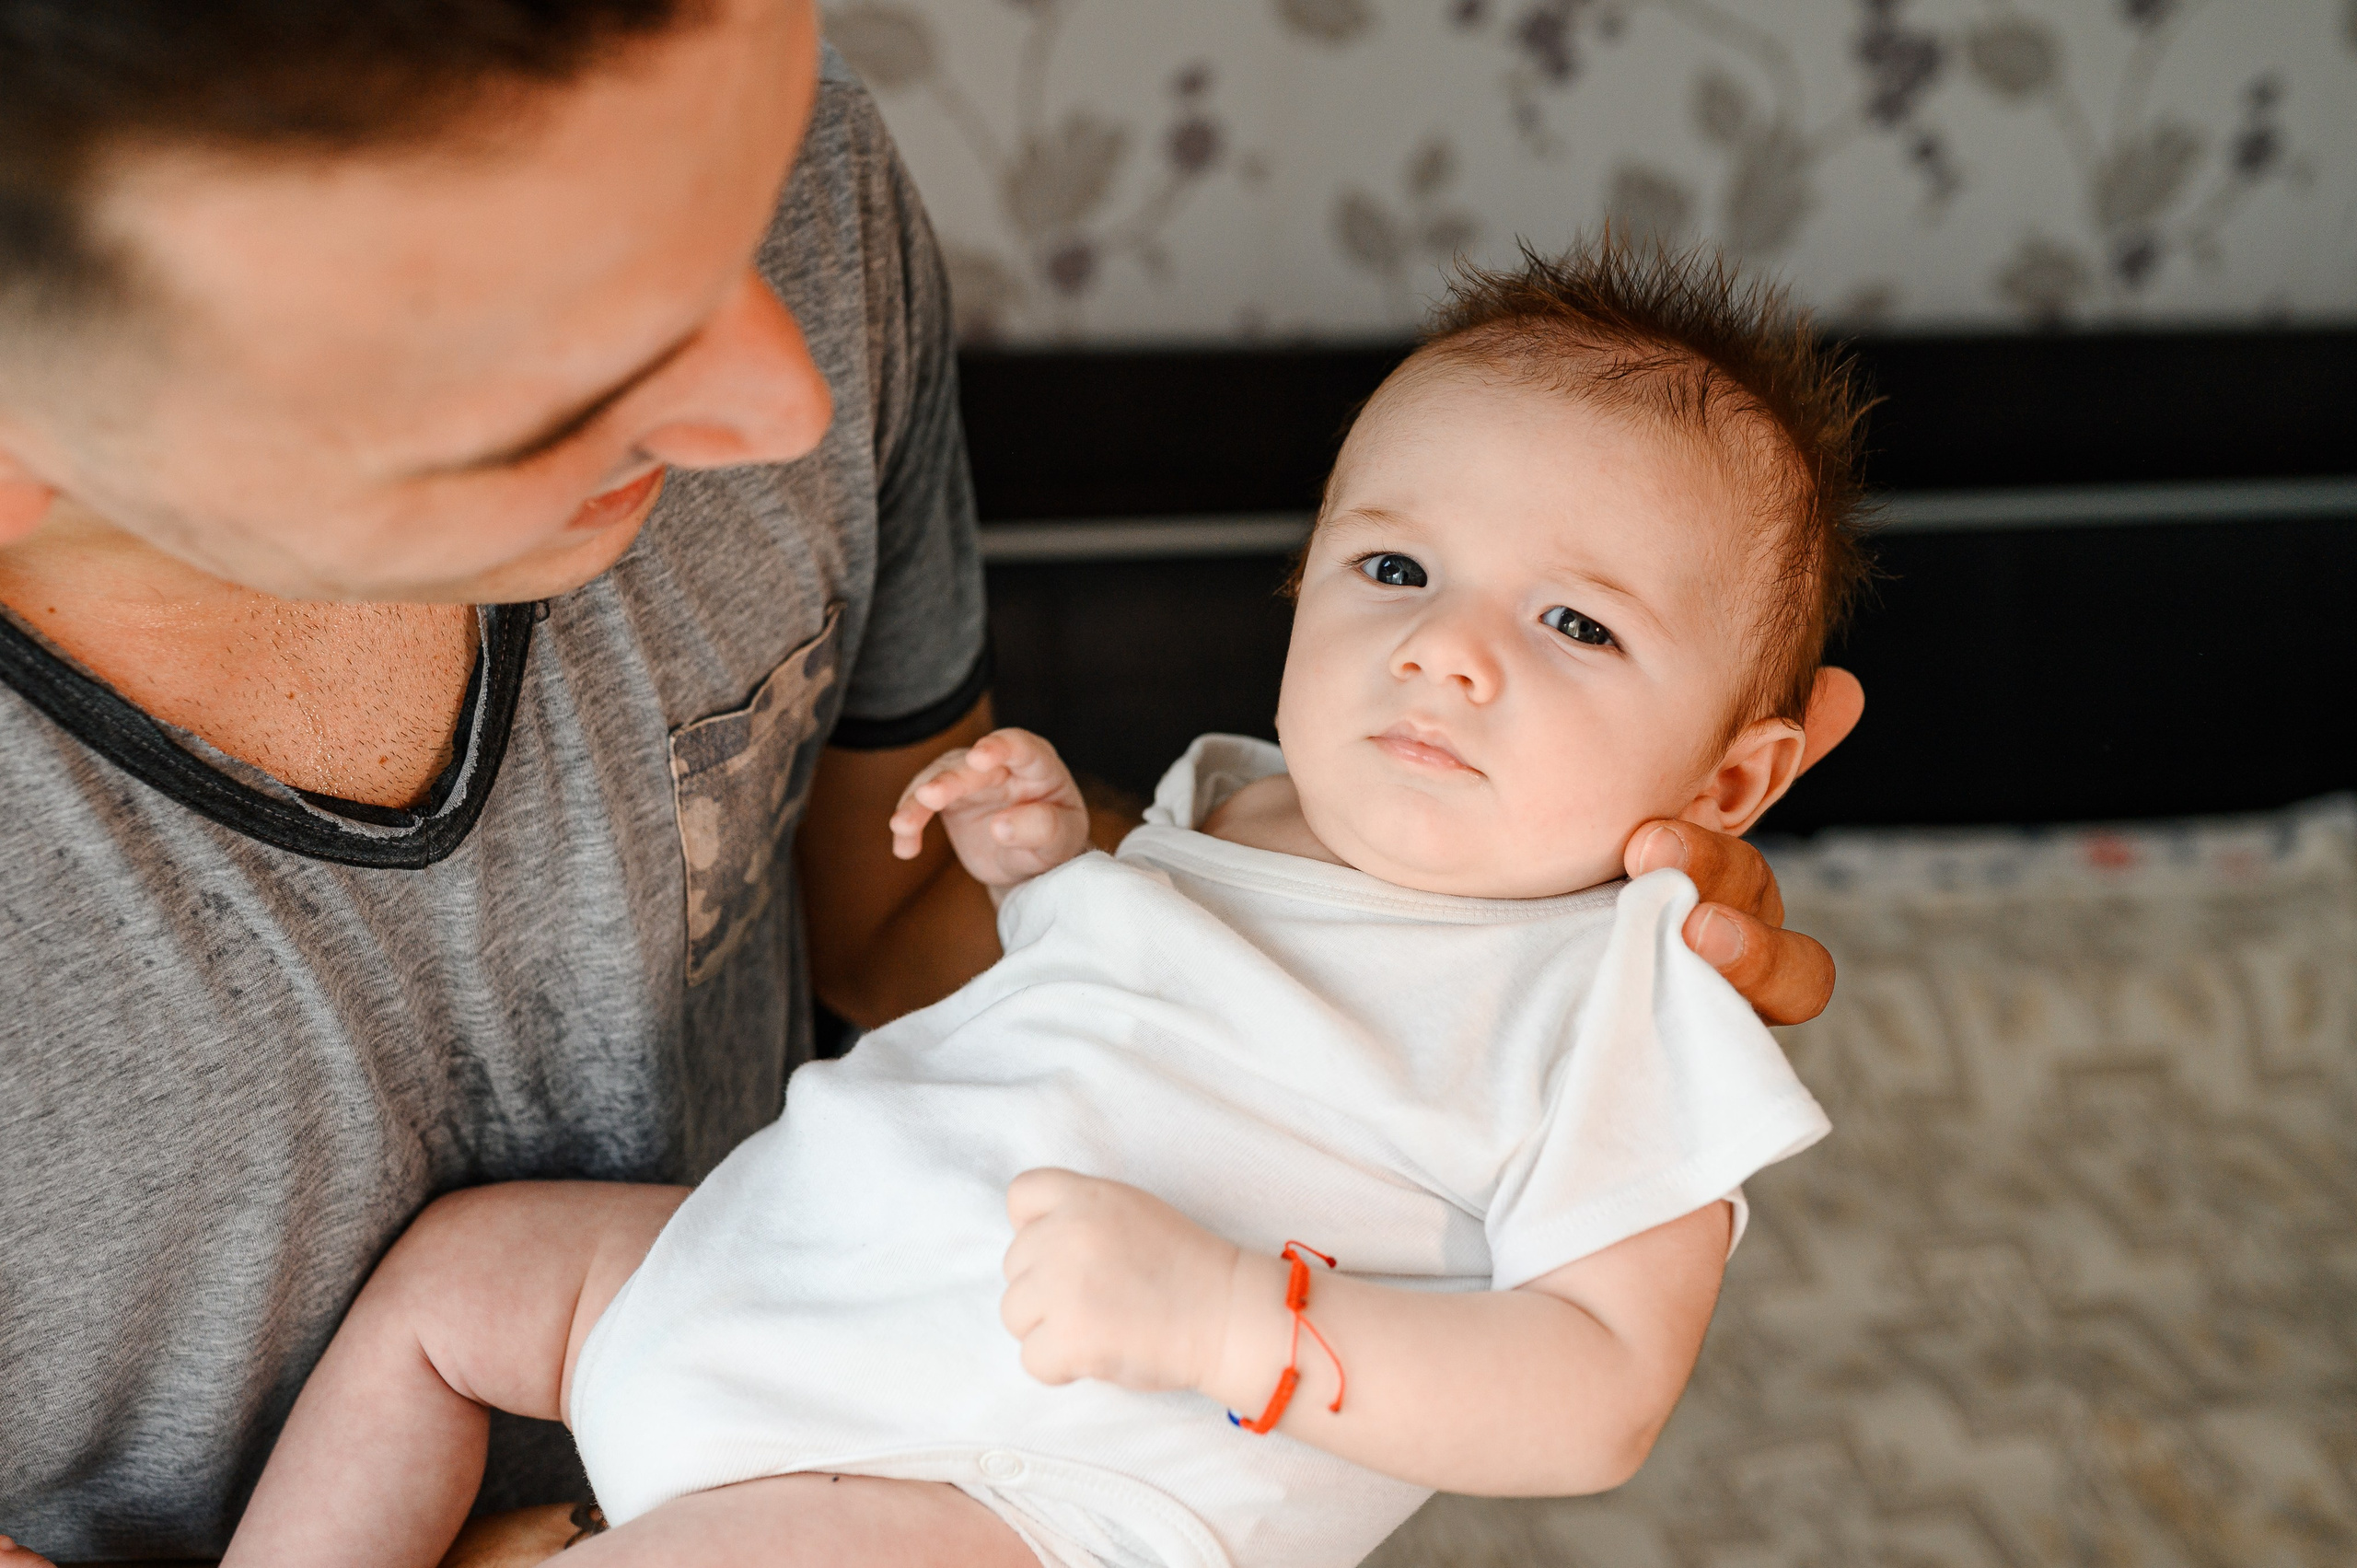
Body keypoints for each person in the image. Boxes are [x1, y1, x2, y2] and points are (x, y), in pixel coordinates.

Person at [0, 2, 1859, 1561]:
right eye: (1394, 570)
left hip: (1000, 1462)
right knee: (471, 1286)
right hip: (838, 1311)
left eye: (1577, 626)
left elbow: (1588, 1381)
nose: (785, 406)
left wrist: (1047, 880)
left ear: (1751, 760)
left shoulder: (1613, 988)